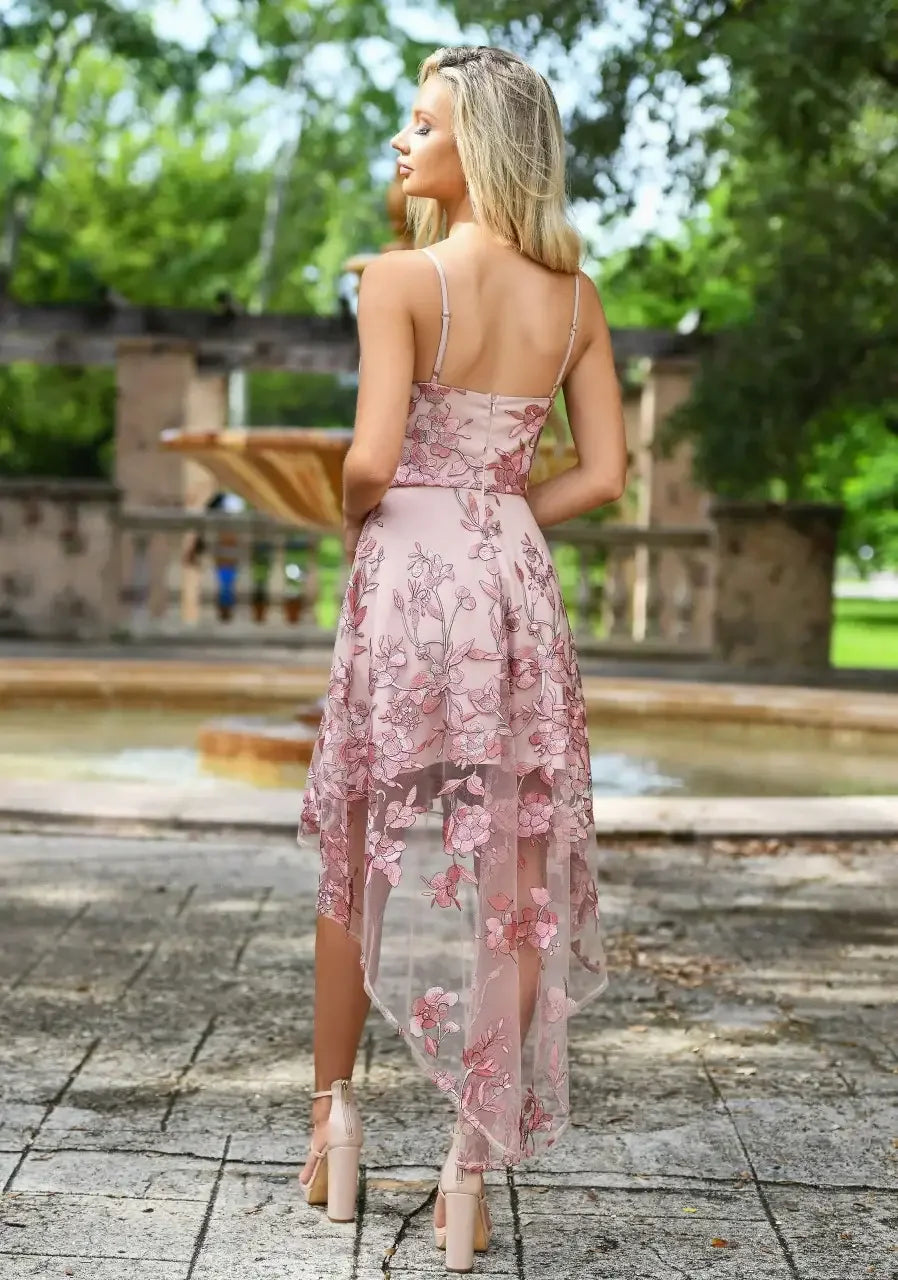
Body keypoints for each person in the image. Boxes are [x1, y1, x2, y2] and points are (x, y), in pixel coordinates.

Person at [298, 44, 627, 1272]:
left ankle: (334, 1126)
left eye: (422, 123)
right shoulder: (576, 298)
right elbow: (605, 474)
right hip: (510, 575)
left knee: (357, 844)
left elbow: (371, 458)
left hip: (409, 567)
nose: (403, 141)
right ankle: (468, 1171)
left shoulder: (398, 279)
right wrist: (504, 505)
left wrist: (354, 511)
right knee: (517, 872)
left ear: (476, 146)